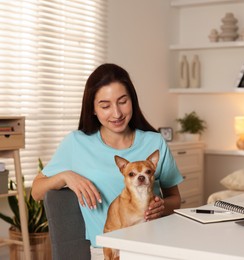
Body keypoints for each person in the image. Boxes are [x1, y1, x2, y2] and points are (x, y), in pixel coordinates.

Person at [31, 63, 183, 257]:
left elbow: (175, 199)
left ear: (133, 101)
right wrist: (66, 177)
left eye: (123, 101)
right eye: (105, 105)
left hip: (153, 248)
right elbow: (36, 191)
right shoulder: (77, 143)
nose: (117, 113)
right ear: (93, 109)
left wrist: (162, 206)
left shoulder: (155, 142)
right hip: (108, 251)